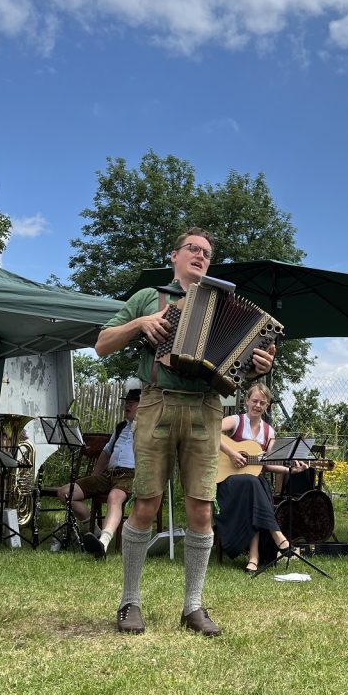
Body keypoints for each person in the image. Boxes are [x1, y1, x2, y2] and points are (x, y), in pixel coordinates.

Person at [95, 228, 276, 637]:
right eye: (192, 249)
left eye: (207, 253)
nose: (200, 256)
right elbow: (102, 344)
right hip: (157, 402)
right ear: (174, 255)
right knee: (146, 503)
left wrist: (259, 364)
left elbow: (242, 369)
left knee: (202, 509)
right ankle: (130, 601)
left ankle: (193, 606)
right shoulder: (148, 298)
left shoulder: (227, 307)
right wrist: (140, 323)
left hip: (207, 409)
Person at [215, 382, 308, 573]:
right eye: (255, 401)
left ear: (267, 406)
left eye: (262, 403)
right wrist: (232, 453)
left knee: (254, 484)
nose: (258, 405)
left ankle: (254, 557)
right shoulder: (235, 421)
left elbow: (266, 464)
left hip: (251, 486)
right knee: (254, 484)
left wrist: (290, 470)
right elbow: (211, 432)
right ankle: (278, 537)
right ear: (246, 401)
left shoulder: (269, 432)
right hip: (226, 483)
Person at [57, 388, 140, 560]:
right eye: (126, 402)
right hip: (108, 474)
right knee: (65, 492)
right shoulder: (121, 426)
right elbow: (105, 453)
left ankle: (103, 541)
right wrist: (95, 476)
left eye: (132, 403)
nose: (127, 405)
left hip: (130, 475)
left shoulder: (148, 429)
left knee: (114, 498)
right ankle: (94, 530)